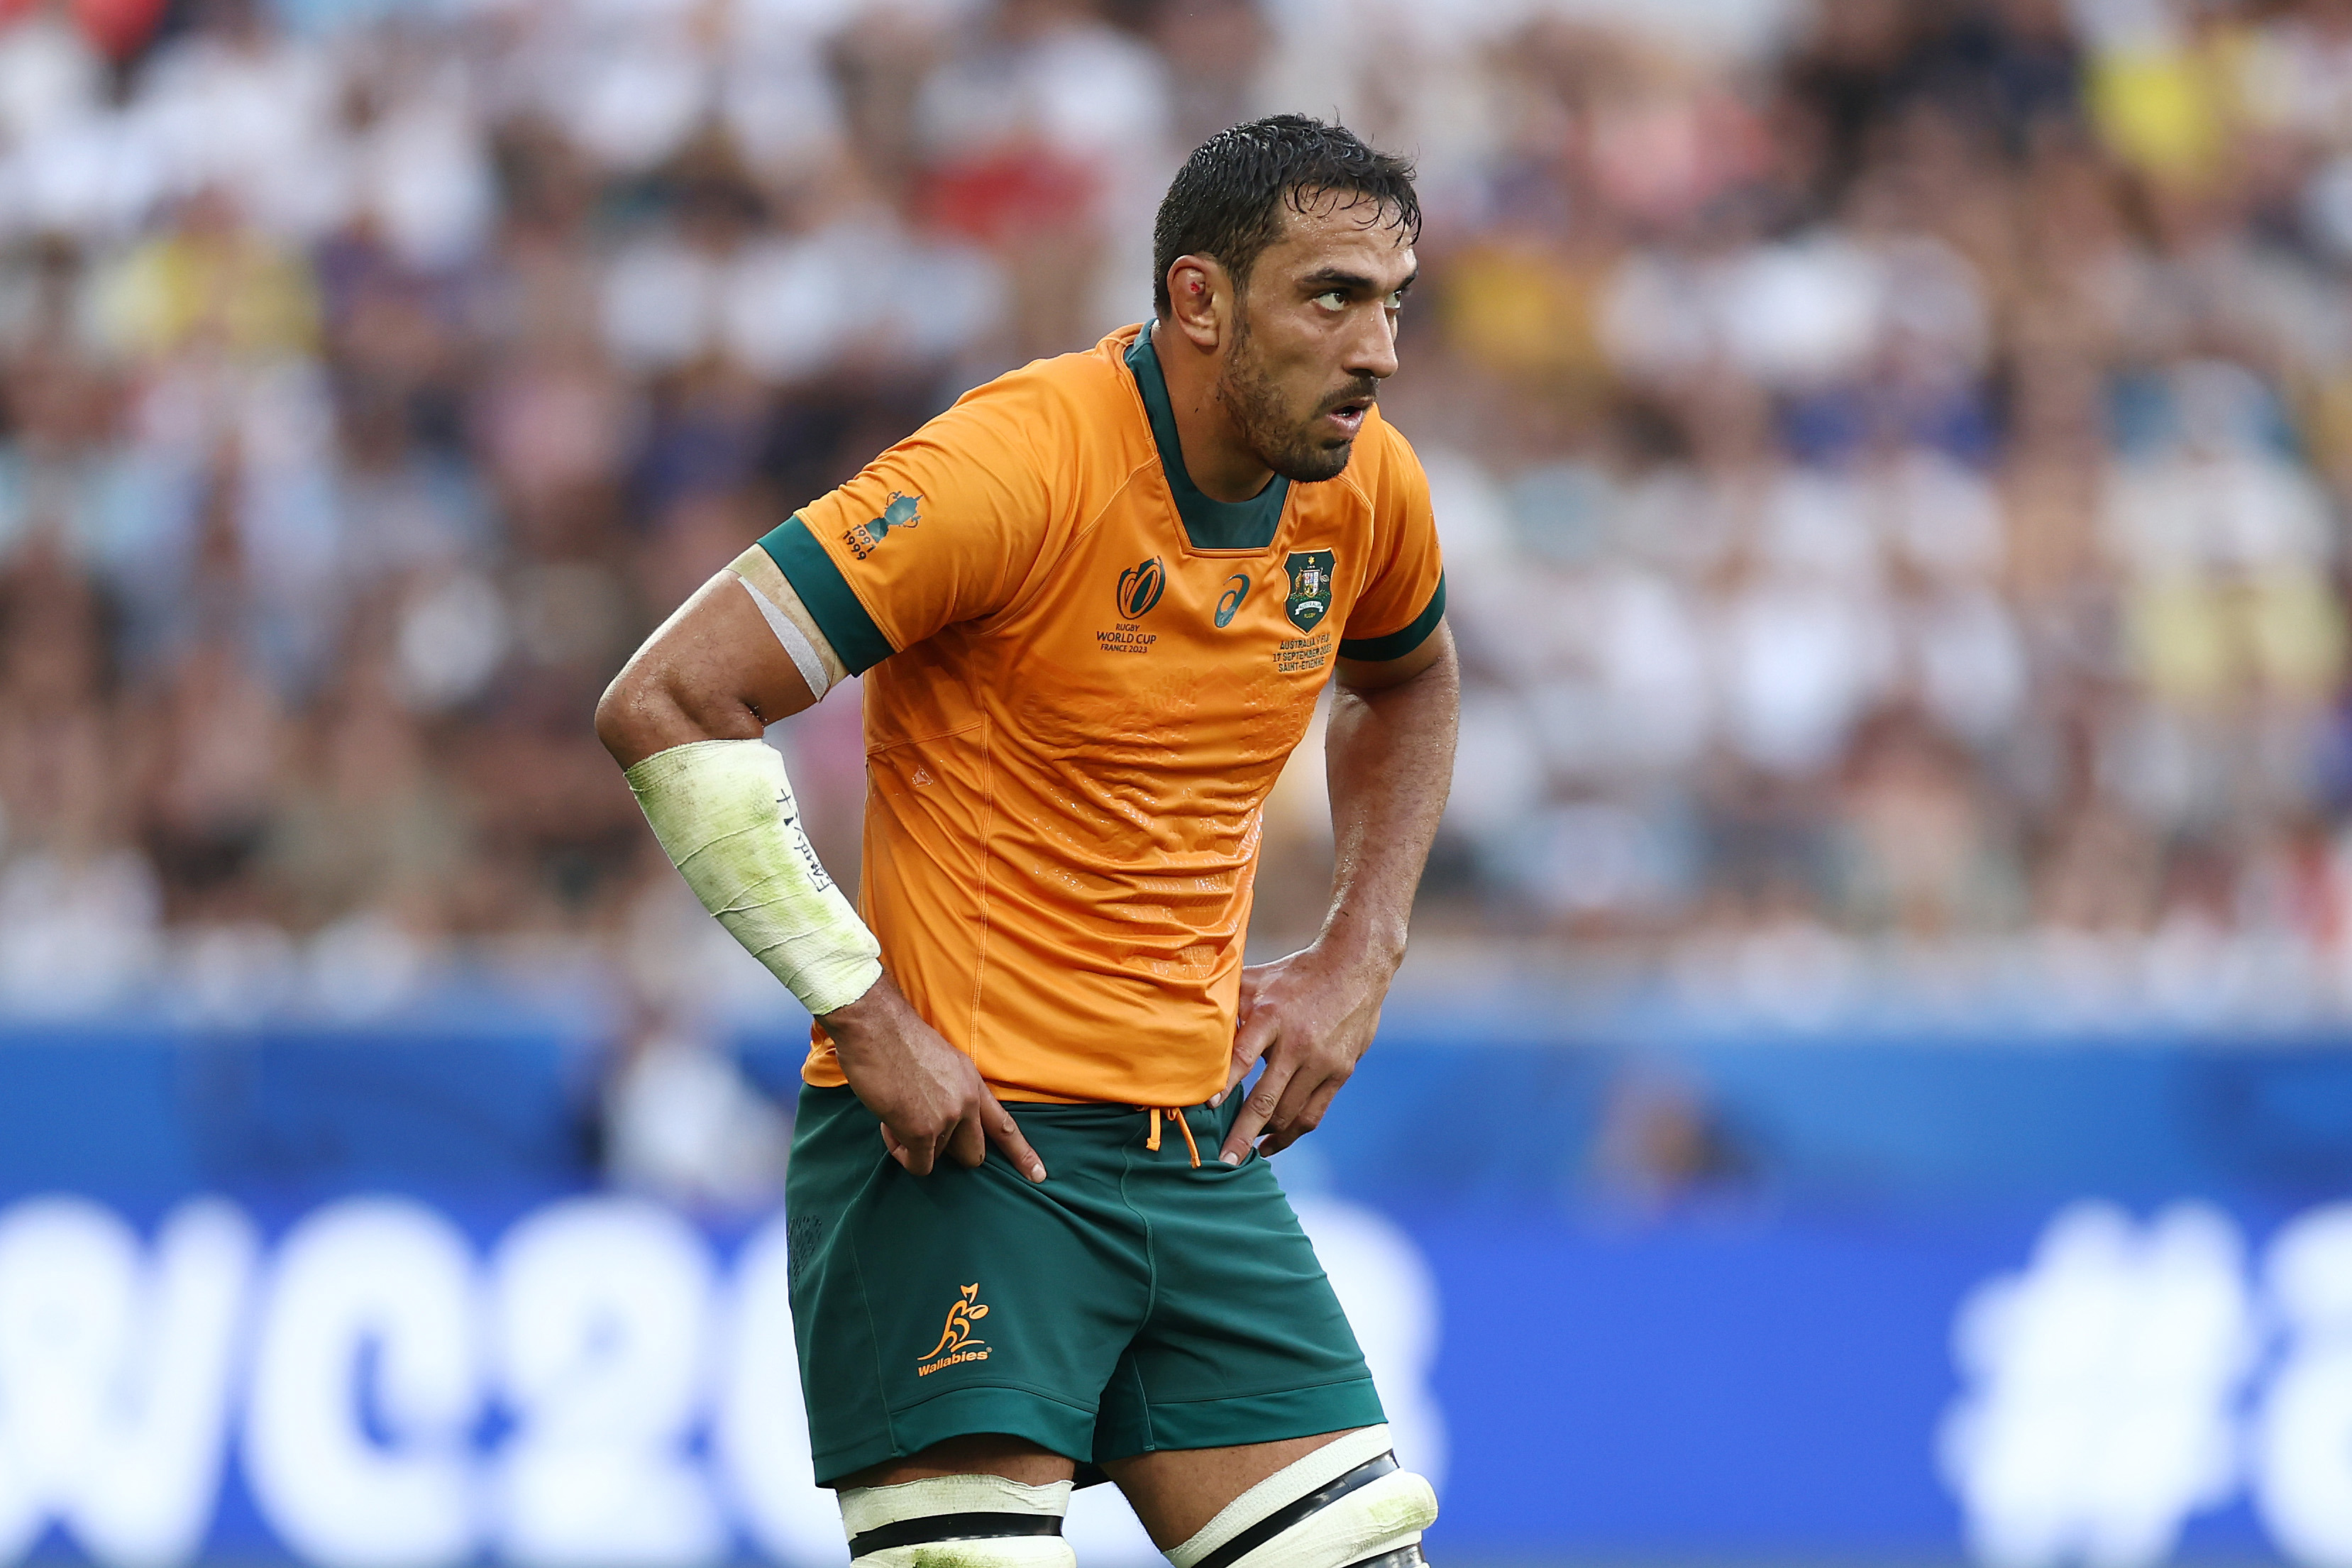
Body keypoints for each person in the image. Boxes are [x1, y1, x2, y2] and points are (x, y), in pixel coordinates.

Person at [596, 114, 1457, 1568]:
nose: (1374, 349)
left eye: (1391, 304)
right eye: (1328, 297)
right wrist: (858, 1010)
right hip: (963, 1152)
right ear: (1199, 299)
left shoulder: (1368, 488)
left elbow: (1409, 682)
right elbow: (669, 698)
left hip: (1196, 1147)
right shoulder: (1015, 465)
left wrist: (1357, 951)